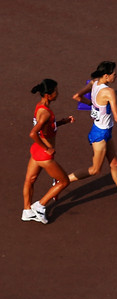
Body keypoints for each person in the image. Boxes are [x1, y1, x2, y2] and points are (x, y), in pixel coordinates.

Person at [69, 61, 117, 206]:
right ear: (106, 75)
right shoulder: (109, 92)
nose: (116, 75)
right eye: (114, 74)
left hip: (104, 131)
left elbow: (77, 96)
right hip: (100, 134)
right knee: (95, 170)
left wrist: (91, 104)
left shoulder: (94, 83)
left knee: (114, 163)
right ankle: (63, 180)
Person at [22, 79, 75, 224]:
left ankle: (27, 211)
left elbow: (46, 128)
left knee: (30, 180)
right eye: (55, 91)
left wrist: (61, 122)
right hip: (43, 154)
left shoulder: (40, 107)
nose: (57, 93)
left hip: (36, 151)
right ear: (48, 95)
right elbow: (33, 133)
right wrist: (47, 148)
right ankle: (40, 205)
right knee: (64, 181)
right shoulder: (45, 113)